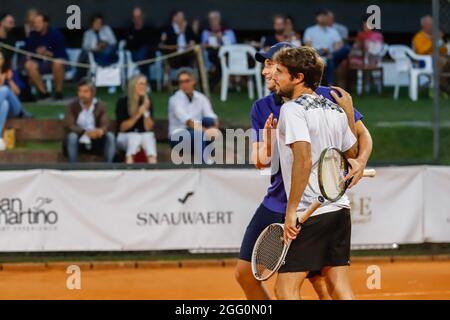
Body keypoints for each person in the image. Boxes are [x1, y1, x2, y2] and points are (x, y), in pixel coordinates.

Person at [235, 42, 372, 300]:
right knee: (246, 273)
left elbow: (358, 140)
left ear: (295, 74)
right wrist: (268, 141)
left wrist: (361, 161)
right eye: (266, 65)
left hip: (306, 206)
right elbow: (261, 160)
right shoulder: (263, 107)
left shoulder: (321, 99)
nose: (267, 72)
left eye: (273, 66)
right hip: (289, 202)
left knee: (312, 284)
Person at [272, 46, 358, 300]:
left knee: (285, 290)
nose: (274, 77)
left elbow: (303, 158)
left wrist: (291, 211)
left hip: (310, 212)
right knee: (338, 286)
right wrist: (349, 113)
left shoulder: (292, 109)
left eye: (280, 72)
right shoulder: (335, 110)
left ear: (298, 78)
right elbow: (352, 155)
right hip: (339, 210)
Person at [168, 68, 219, 164]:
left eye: (187, 81)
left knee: (209, 121)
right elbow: (188, 122)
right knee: (200, 135)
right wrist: (207, 132)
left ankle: (210, 159)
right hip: (178, 136)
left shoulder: (201, 98)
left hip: (196, 132)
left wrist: (214, 128)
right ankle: (203, 165)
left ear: (193, 81)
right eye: (181, 82)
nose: (184, 85)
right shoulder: (175, 100)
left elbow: (212, 116)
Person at [63, 78, 115, 163]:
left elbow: (105, 124)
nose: (81, 94)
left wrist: (100, 131)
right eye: (80, 91)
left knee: (110, 136)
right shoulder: (72, 106)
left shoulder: (100, 106)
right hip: (78, 139)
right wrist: (85, 132)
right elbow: (69, 126)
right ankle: (73, 168)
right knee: (72, 137)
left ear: (93, 93)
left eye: (85, 91)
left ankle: (107, 167)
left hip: (95, 139)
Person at [24, 13, 67, 100]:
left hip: (54, 62)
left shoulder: (56, 34)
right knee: (29, 65)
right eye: (35, 23)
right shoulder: (32, 35)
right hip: (40, 63)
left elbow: (62, 53)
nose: (36, 25)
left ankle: (58, 92)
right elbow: (27, 51)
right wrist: (36, 52)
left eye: (39, 22)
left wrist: (49, 53)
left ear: (45, 23)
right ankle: (43, 92)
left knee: (58, 62)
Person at [116, 75, 157, 164]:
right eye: (141, 84)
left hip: (142, 136)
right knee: (134, 137)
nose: (144, 87)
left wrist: (145, 111)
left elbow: (148, 128)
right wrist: (139, 113)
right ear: (133, 85)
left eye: (145, 84)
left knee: (149, 136)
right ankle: (129, 164)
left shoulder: (147, 101)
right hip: (125, 137)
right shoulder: (123, 101)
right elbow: (123, 127)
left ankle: (153, 166)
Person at [303, 9, 349, 85]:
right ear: (316, 18)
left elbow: (338, 46)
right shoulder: (310, 30)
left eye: (324, 16)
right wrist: (320, 51)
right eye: (320, 16)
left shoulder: (333, 31)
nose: (323, 18)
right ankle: (330, 85)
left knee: (346, 48)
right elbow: (308, 46)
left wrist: (330, 52)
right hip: (316, 55)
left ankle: (328, 58)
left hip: (331, 55)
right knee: (328, 61)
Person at [0, 51, 33, 151]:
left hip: (15, 108)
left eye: (0, 58)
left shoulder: (10, 73)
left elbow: (18, 92)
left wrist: (9, 80)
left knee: (5, 90)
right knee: (4, 104)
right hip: (3, 109)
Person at [412, 15, 450, 94]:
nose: (432, 26)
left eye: (433, 24)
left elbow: (444, 51)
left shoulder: (435, 36)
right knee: (441, 61)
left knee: (443, 60)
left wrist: (440, 42)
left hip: (439, 59)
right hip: (424, 61)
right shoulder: (418, 37)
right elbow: (422, 51)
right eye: (430, 24)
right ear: (424, 25)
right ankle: (442, 87)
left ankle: (442, 85)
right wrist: (433, 40)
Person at [201, 11, 237, 86]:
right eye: (211, 19)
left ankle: (211, 82)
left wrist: (221, 38)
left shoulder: (228, 31)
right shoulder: (206, 32)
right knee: (216, 58)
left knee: (220, 60)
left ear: (219, 20)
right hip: (211, 55)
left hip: (227, 56)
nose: (213, 21)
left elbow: (234, 45)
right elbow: (203, 46)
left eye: (215, 19)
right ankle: (212, 69)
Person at [125, 7, 159, 75]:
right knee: (143, 59)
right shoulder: (130, 31)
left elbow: (153, 42)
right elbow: (129, 45)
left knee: (145, 54)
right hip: (136, 55)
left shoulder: (149, 29)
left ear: (142, 17)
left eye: (139, 17)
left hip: (149, 56)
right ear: (133, 19)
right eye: (136, 17)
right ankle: (145, 81)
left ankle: (143, 80)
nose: (138, 19)